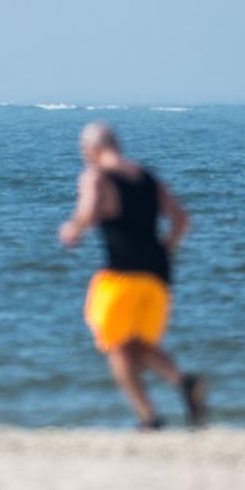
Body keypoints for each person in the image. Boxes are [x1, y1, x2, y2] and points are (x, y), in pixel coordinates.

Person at [59, 121, 207, 429]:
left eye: (84, 151)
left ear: (92, 149)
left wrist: (73, 229)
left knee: (116, 346)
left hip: (121, 276)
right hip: (157, 275)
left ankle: (149, 417)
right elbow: (181, 221)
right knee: (137, 345)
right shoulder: (147, 177)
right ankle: (184, 383)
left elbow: (88, 210)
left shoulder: (96, 175)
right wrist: (163, 251)